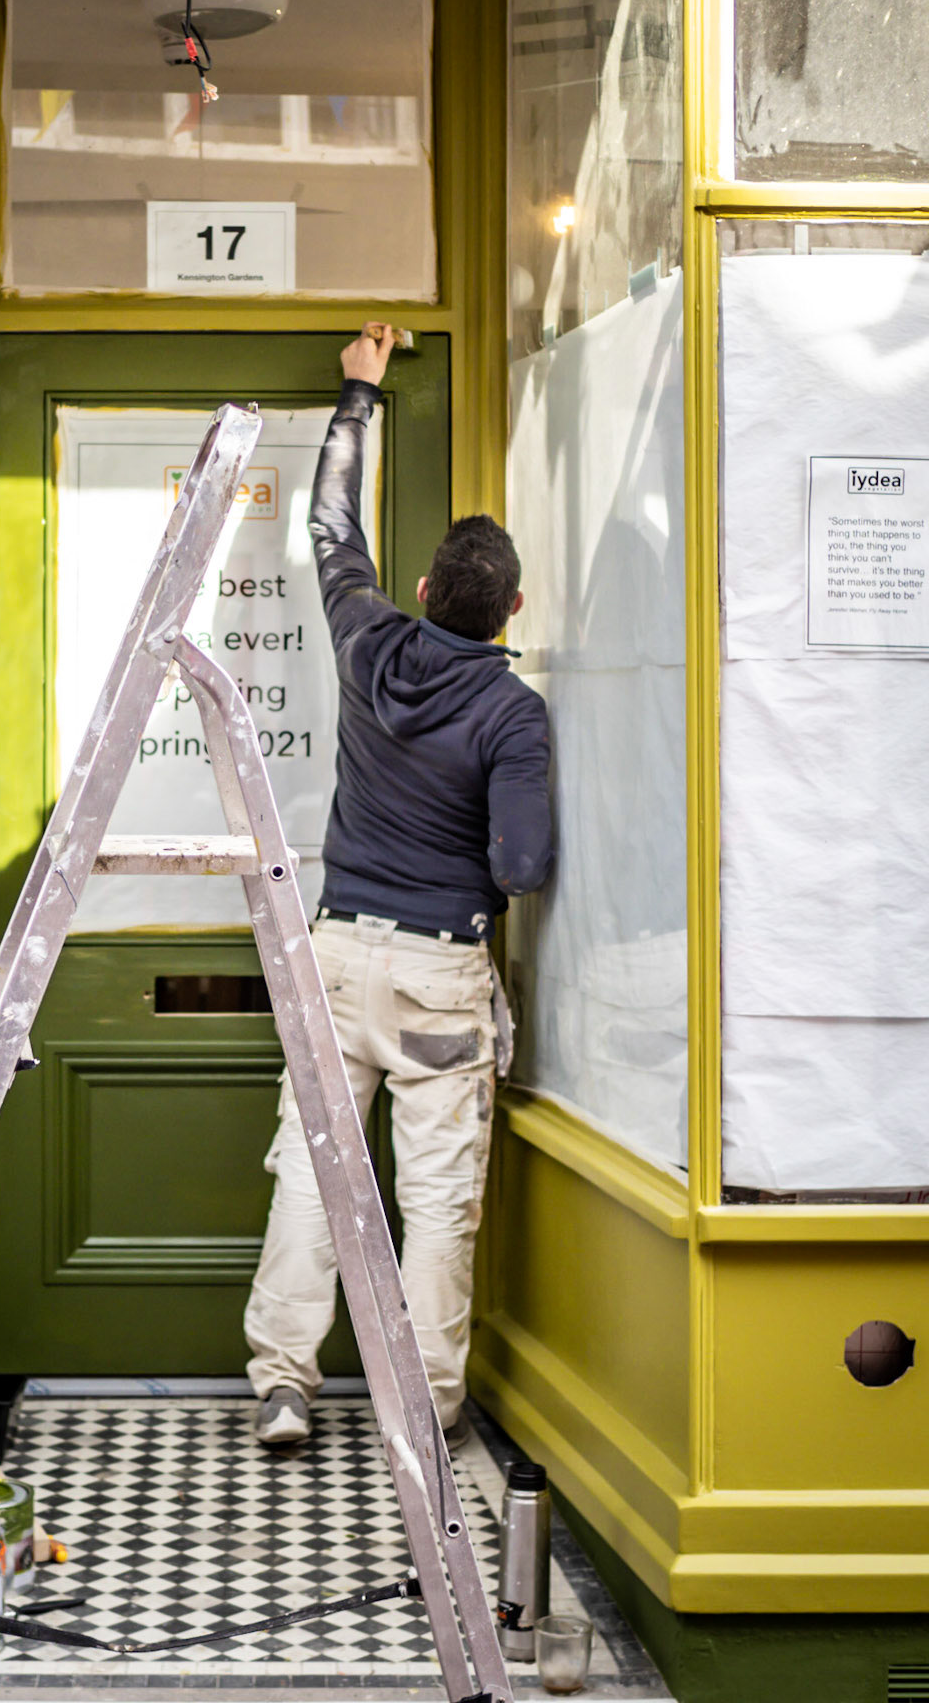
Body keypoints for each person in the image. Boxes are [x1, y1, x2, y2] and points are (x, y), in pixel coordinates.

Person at [245, 322, 554, 1449]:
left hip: (335, 953)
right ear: (509, 613)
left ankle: (283, 1381)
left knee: (312, 1174)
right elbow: (521, 864)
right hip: (436, 973)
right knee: (434, 1203)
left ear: (424, 589)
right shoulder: (512, 714)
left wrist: (359, 392)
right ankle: (417, 1411)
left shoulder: (371, 639)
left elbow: (330, 527)